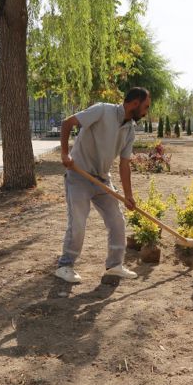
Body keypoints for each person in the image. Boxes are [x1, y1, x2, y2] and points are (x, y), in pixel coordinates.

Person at [55, 87, 152, 283]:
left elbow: (124, 165)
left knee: (117, 221)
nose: (146, 111)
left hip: (101, 179)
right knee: (78, 223)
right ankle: (65, 265)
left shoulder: (129, 130)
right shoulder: (102, 110)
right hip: (78, 176)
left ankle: (115, 265)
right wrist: (65, 154)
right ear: (134, 103)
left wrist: (128, 195)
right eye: (146, 107)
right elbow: (67, 123)